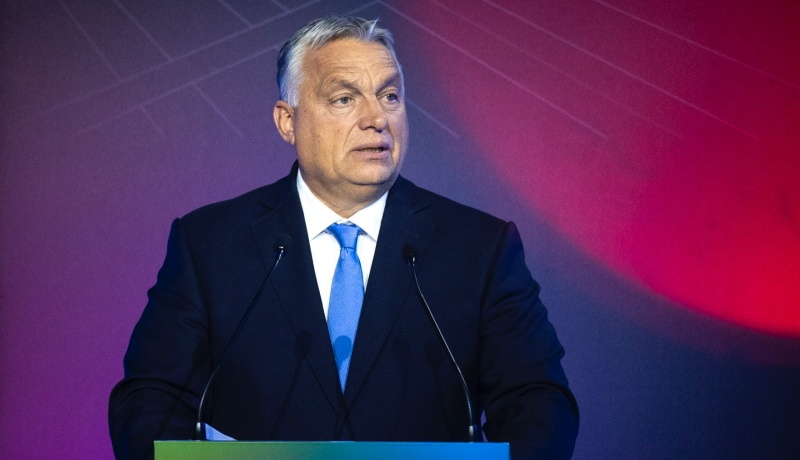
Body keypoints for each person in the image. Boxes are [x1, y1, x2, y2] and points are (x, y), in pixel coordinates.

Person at [109, 16, 578, 460]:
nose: (377, 118)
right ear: (287, 121)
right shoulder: (210, 244)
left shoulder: (479, 248)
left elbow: (538, 401)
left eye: (390, 96)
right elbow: (150, 400)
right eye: (344, 99)